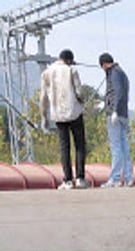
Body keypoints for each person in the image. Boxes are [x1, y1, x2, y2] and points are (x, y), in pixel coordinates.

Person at [40, 49, 87, 190]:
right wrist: (82, 101)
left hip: (58, 115)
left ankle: (67, 180)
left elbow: (43, 98)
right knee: (79, 145)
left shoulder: (46, 73)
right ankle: (80, 178)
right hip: (74, 112)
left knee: (64, 147)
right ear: (68, 60)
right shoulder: (71, 70)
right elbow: (79, 91)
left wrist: (44, 117)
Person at [99, 53, 134, 188]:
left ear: (103, 64)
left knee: (116, 146)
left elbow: (117, 92)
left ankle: (115, 178)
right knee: (124, 145)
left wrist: (113, 110)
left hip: (115, 115)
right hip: (124, 114)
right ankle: (128, 177)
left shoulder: (113, 73)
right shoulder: (122, 73)